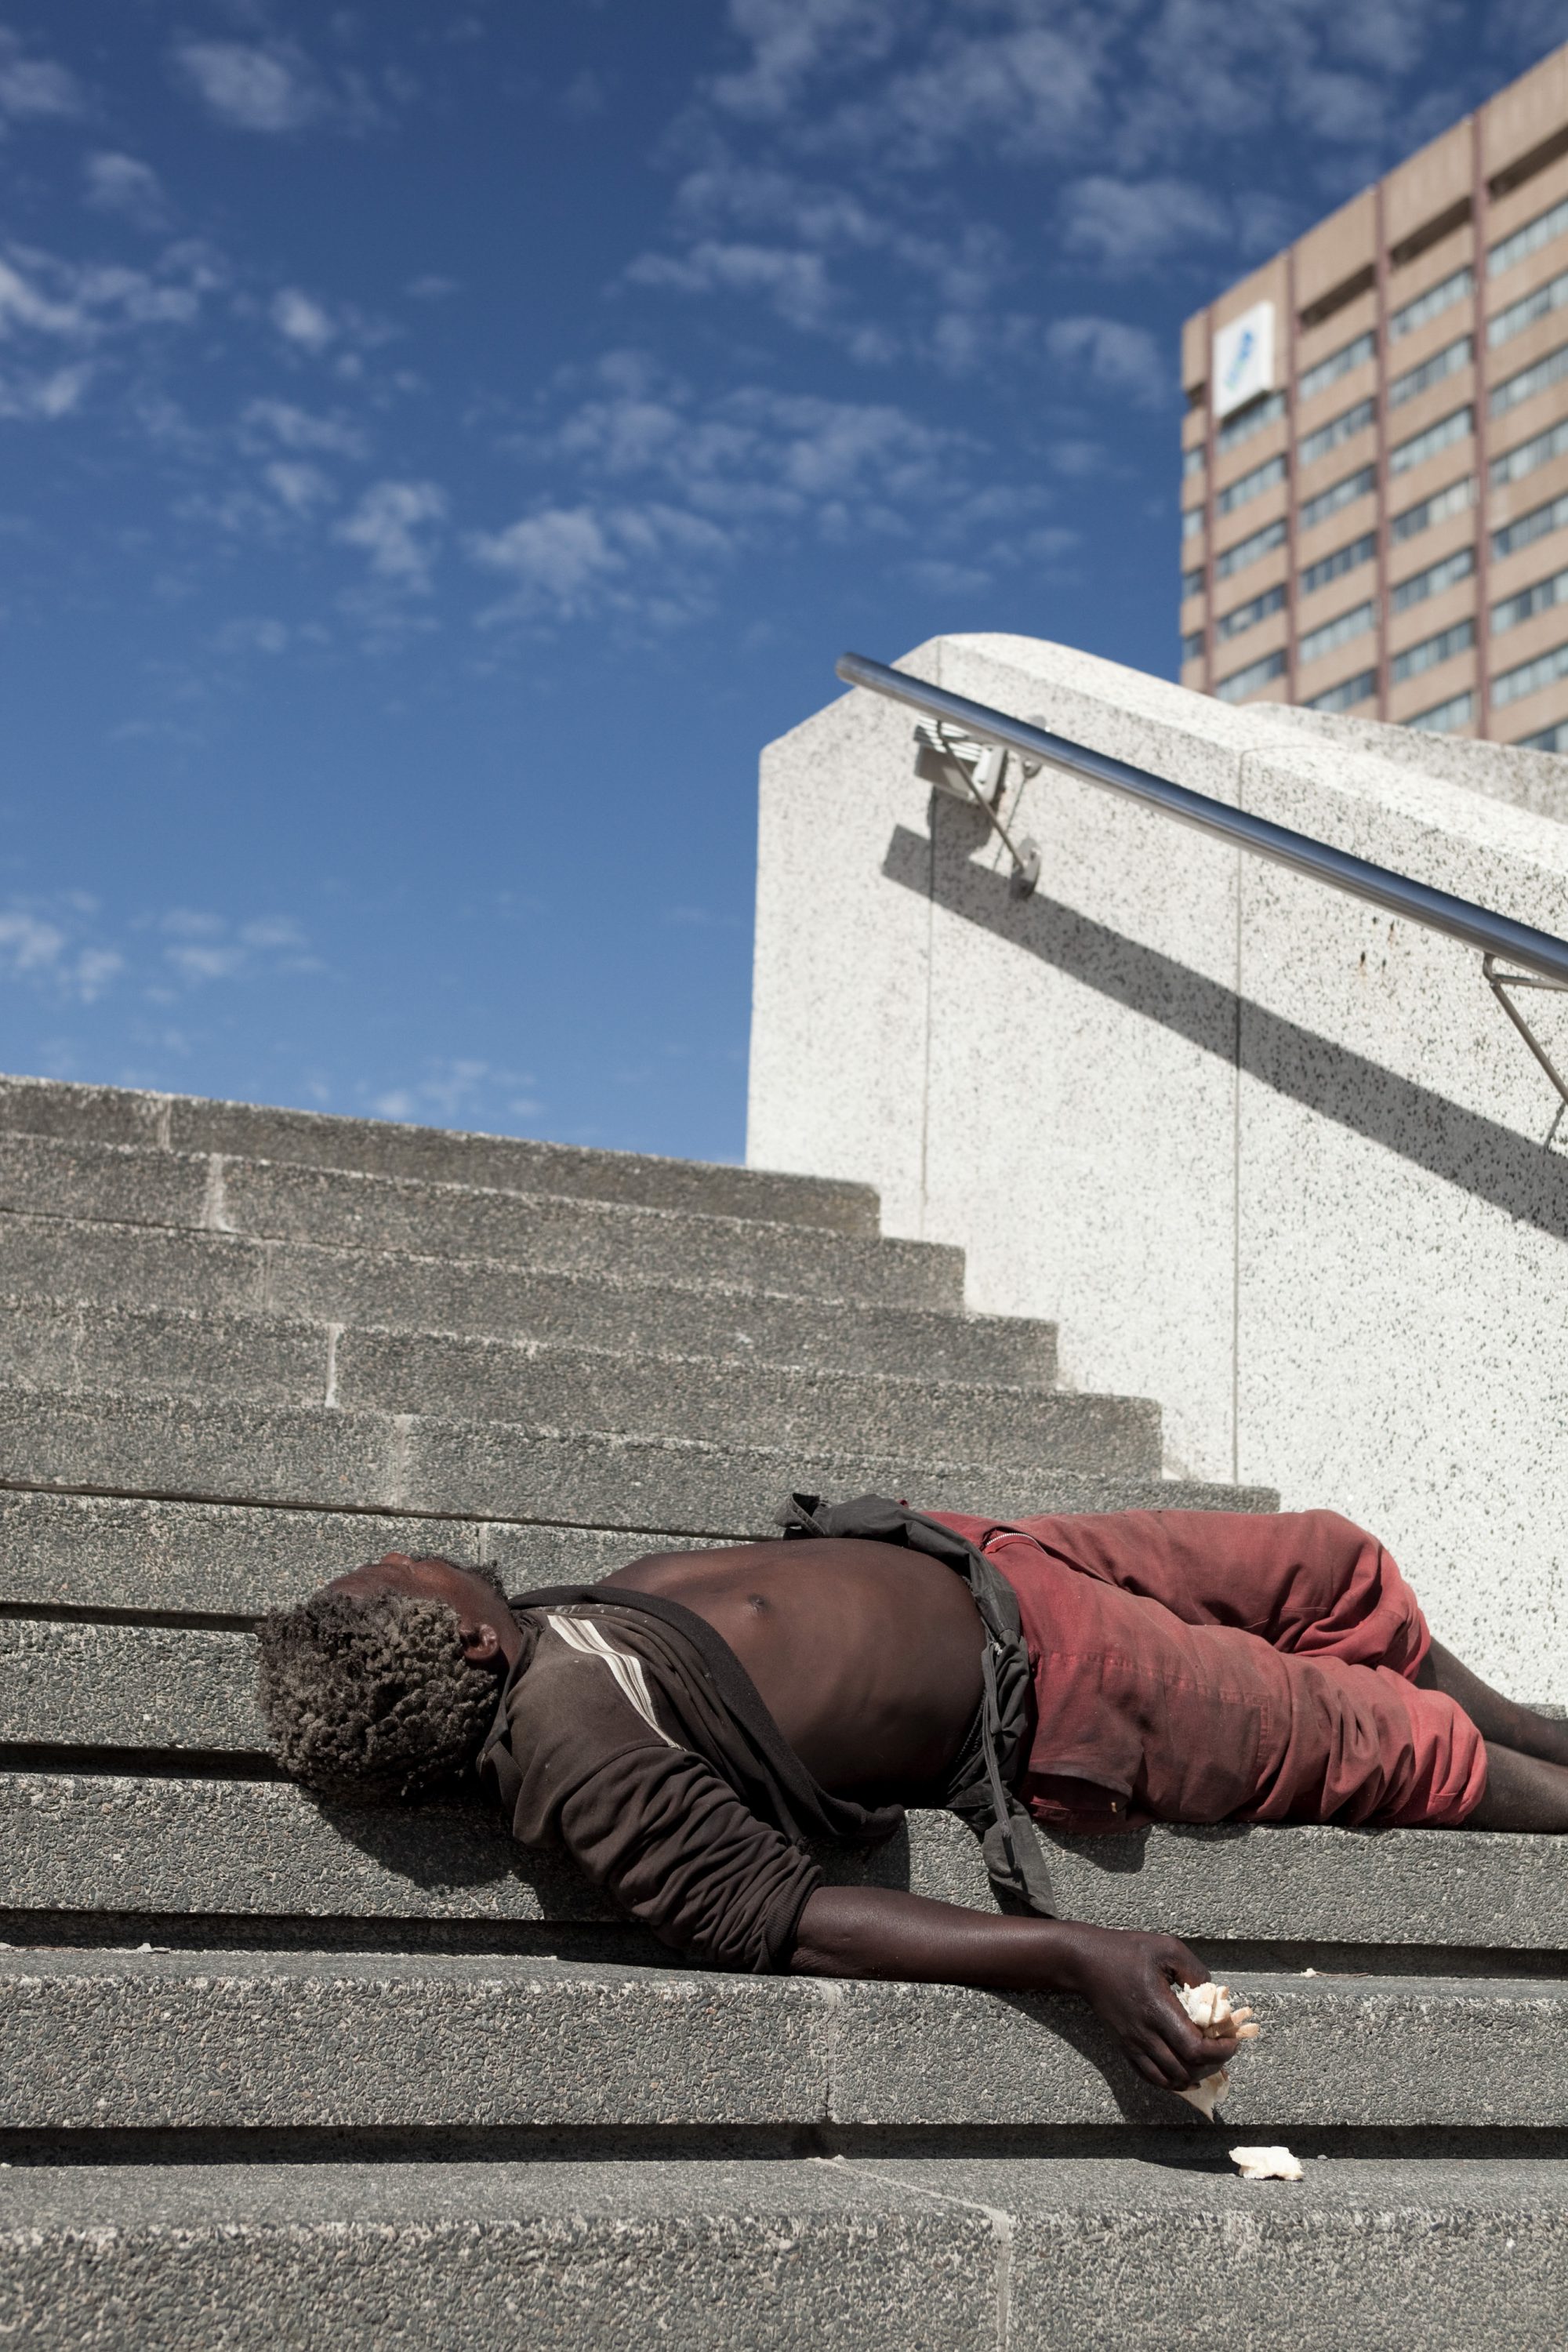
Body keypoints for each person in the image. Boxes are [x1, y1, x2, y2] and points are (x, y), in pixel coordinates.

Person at [256, 1495, 1568, 2096]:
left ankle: (1536, 1728)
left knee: (1324, 1563)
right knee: (1392, 1743)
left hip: (1007, 1558)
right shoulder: (575, 1765)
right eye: (391, 1575)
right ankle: (1532, 1772)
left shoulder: (536, 1631)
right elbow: (789, 1918)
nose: (400, 1548)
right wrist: (1076, 1955)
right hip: (1073, 1690)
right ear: (464, 1648)